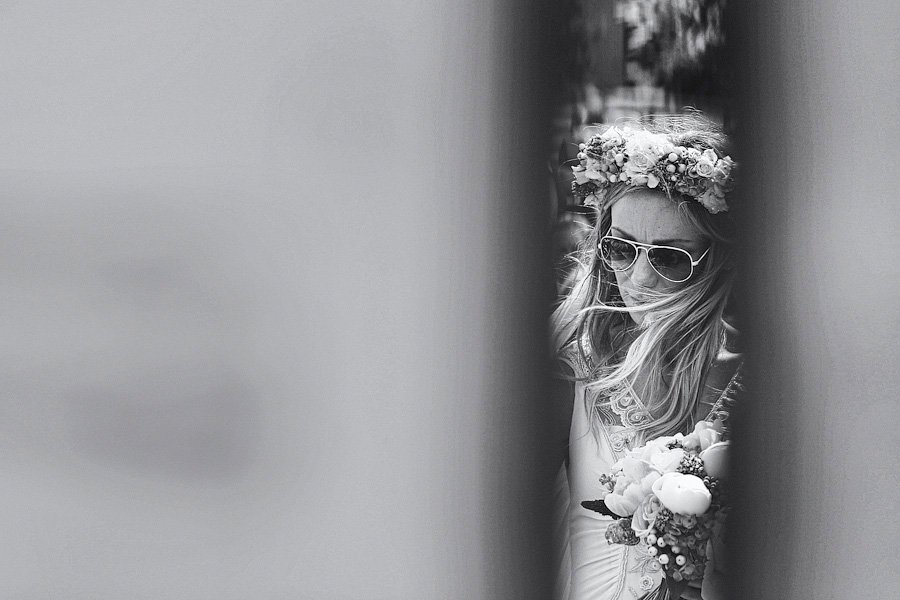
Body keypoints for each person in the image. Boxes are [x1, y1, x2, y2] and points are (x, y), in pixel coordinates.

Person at [551, 114, 744, 600]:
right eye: (620, 249)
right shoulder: (572, 358)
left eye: (670, 257)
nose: (637, 279)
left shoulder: (755, 373)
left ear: (718, 260)